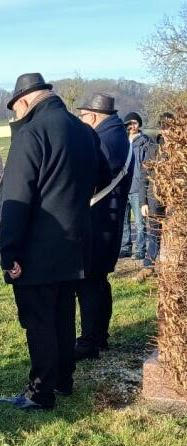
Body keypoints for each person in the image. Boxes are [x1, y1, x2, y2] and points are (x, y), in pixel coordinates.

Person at [0, 73, 100, 410]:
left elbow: (16, 198)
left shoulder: (31, 133)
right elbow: (100, 176)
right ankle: (63, 379)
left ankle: (40, 391)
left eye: (15, 110)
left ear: (24, 102)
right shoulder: (84, 131)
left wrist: (9, 252)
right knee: (63, 314)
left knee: (39, 320)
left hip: (36, 248)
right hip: (76, 243)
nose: (16, 117)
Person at [74, 93, 133, 360]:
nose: (81, 120)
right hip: (108, 221)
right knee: (98, 282)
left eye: (83, 115)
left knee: (88, 282)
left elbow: (93, 179)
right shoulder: (119, 136)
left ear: (94, 116)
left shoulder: (104, 140)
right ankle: (99, 336)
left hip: (97, 222)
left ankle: (90, 341)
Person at [138, 112, 173, 276]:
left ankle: (172, 268)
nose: (168, 130)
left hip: (174, 200)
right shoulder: (153, 147)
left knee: (174, 234)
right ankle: (149, 266)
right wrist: (143, 202)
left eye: (171, 127)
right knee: (153, 233)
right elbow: (144, 176)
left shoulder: (181, 148)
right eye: (165, 127)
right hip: (154, 199)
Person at [120, 112, 153, 259]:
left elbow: (147, 166)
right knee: (124, 221)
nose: (132, 126)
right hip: (123, 186)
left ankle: (140, 249)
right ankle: (125, 247)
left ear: (139, 124)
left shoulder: (145, 142)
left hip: (137, 187)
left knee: (140, 222)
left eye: (134, 123)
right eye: (129, 123)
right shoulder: (121, 141)